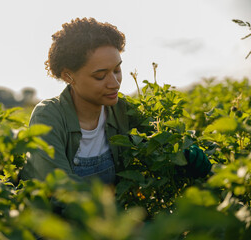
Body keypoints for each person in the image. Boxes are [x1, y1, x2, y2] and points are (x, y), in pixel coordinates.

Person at [20, 17, 211, 184]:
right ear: (68, 76)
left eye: (117, 70)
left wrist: (185, 155)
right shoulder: (48, 115)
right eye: (100, 76)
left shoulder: (123, 110)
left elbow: (161, 148)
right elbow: (59, 189)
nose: (114, 83)